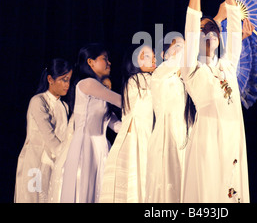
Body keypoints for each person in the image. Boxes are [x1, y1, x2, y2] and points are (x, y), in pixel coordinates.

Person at [181, 0, 250, 203]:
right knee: (209, 194)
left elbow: (234, 24)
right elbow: (191, 26)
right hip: (208, 141)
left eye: (211, 28)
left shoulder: (227, 66)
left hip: (233, 140)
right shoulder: (191, 69)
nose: (207, 33)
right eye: (201, 31)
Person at [59, 43, 122, 203]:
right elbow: (122, 101)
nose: (109, 63)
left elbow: (113, 123)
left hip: (100, 146)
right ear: (90, 62)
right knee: (85, 191)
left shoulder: (100, 90)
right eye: (104, 59)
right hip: (85, 146)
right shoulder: (87, 84)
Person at [100, 43, 156, 203]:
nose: (153, 58)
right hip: (136, 139)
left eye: (153, 55)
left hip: (142, 136)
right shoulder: (138, 80)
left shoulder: (144, 79)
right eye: (146, 56)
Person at [14, 58, 72, 203]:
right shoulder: (38, 101)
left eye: (69, 79)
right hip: (36, 162)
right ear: (50, 79)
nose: (67, 84)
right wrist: (63, 157)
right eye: (64, 79)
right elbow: (48, 134)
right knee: (32, 198)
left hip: (54, 163)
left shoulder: (64, 106)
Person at [145, 34, 187, 203]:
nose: (181, 51)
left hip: (184, 134)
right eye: (177, 47)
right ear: (163, 54)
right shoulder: (159, 75)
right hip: (166, 136)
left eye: (184, 48)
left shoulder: (184, 78)